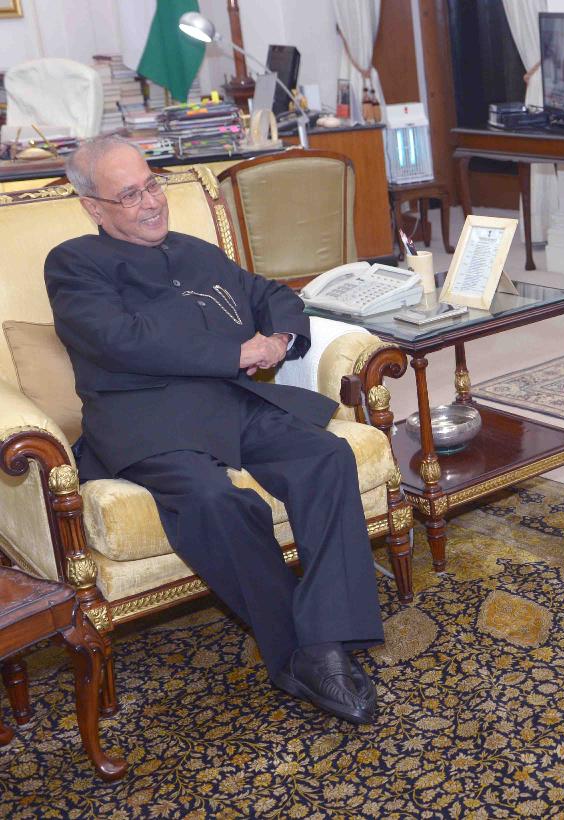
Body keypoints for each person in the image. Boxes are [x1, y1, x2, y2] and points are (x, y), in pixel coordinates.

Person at [45, 135, 384, 725]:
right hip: (145, 418)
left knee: (325, 456)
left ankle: (326, 640)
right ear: (94, 207)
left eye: (152, 185)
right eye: (130, 195)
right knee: (212, 501)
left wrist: (278, 339)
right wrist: (236, 351)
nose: (152, 202)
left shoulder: (195, 251)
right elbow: (121, 340)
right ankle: (298, 654)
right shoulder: (74, 263)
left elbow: (270, 293)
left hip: (231, 402)